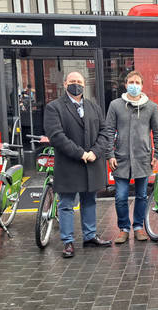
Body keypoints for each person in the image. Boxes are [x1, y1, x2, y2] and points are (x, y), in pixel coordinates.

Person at [44, 71, 112, 258]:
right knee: (66, 204)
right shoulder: (54, 107)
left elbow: (105, 132)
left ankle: (90, 237)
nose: (76, 85)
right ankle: (68, 242)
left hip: (91, 163)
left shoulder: (94, 107)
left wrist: (94, 152)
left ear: (85, 84)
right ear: (65, 84)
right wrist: (80, 153)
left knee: (89, 201)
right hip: (69, 164)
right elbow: (56, 136)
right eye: (72, 81)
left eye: (79, 82)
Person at [105, 71, 158, 244]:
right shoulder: (115, 105)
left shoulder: (151, 107)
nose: (134, 85)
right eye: (131, 82)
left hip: (143, 158)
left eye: (137, 82)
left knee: (141, 195)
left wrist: (157, 154)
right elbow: (109, 131)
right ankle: (124, 228)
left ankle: (138, 227)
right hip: (121, 158)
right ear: (125, 84)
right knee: (121, 196)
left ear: (142, 85)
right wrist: (110, 154)